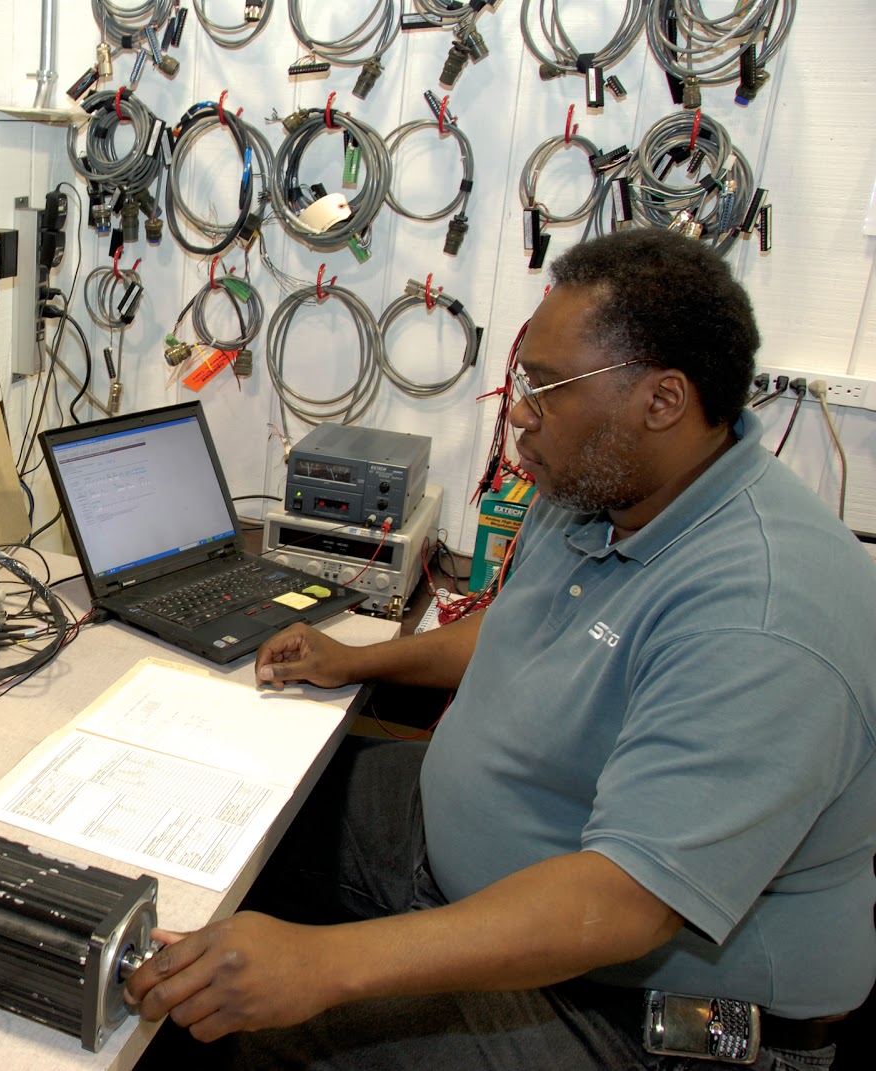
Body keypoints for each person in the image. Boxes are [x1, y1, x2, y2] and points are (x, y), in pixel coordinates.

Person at [125, 227, 876, 1070]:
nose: (520, 411)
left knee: (262, 1038)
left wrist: (322, 967)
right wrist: (355, 660)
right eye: (527, 379)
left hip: (624, 1006)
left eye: (549, 388)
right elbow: (517, 630)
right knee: (235, 809)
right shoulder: (606, 483)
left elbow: (625, 904)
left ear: (662, 401)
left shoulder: (764, 615)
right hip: (456, 845)